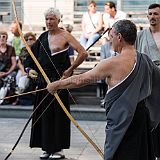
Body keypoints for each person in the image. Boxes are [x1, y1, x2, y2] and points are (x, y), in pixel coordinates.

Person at [47, 19, 160, 160]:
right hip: (141, 118)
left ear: (119, 37)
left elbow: (80, 80)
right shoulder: (146, 60)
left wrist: (56, 85)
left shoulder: (111, 63)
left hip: (122, 122)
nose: (110, 40)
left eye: (111, 36)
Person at [24, 7, 88, 159]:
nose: (49, 21)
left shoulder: (66, 35)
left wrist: (70, 69)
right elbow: (30, 57)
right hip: (44, 82)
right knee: (43, 114)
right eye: (47, 19)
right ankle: (46, 147)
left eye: (52, 19)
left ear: (59, 20)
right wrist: (29, 70)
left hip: (59, 81)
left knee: (58, 114)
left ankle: (58, 149)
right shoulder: (43, 36)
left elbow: (83, 52)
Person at [135, 3, 160, 160]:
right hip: (148, 80)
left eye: (156, 14)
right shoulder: (140, 36)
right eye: (150, 14)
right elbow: (134, 57)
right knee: (150, 114)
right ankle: (152, 151)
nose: (153, 17)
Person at [12, 32, 36, 105]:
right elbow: (19, 62)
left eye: (30, 39)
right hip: (23, 69)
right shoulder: (23, 49)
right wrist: (23, 71)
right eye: (26, 39)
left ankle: (20, 97)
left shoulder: (37, 50)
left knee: (23, 80)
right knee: (18, 76)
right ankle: (18, 97)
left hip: (33, 70)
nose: (28, 41)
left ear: (34, 40)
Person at [0, 31, 17, 104]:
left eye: (3, 36)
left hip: (8, 71)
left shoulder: (11, 48)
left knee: (11, 77)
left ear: (6, 38)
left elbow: (14, 64)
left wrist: (7, 73)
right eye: (0, 36)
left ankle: (6, 100)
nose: (1, 38)